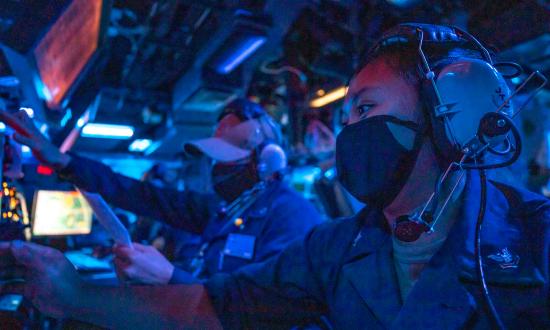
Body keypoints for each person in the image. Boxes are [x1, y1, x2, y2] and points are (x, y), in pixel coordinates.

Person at [0, 23, 548, 329]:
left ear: (451, 117)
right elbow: (218, 306)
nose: (349, 132)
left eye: (364, 109)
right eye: (347, 113)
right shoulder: (335, 246)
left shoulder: (537, 239)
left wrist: (165, 277)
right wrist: (73, 295)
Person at [2, 98, 323, 285]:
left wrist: (169, 277)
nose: (217, 170)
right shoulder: (228, 210)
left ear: (268, 161)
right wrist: (64, 162)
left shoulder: (291, 218)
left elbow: (261, 313)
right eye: (215, 160)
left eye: (227, 160)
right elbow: (141, 195)